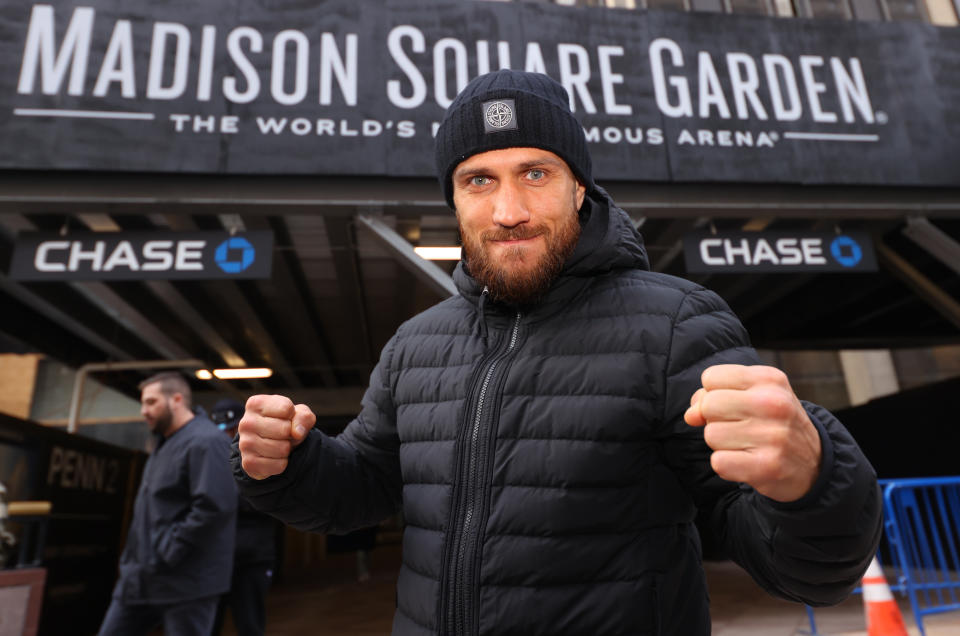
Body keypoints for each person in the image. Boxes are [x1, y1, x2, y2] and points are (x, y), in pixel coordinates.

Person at [231, 70, 882, 635]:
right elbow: (366, 488)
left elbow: (797, 566)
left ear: (579, 188)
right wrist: (291, 465)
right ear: (453, 201)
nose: (508, 209)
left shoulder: (677, 324)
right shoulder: (414, 344)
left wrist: (811, 481)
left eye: (535, 173)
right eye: (479, 180)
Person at [98, 372, 237, 636]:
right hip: (140, 580)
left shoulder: (207, 442)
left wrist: (170, 551)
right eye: (143, 403)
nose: (144, 411)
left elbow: (215, 506)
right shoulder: (163, 444)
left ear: (176, 399)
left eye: (151, 402)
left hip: (187, 583)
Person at [208, 399, 278, 636]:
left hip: (250, 560)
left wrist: (220, 501)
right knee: (208, 626)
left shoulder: (261, 458)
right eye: (221, 430)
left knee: (250, 625)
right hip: (215, 561)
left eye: (231, 428)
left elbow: (269, 503)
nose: (227, 435)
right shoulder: (209, 460)